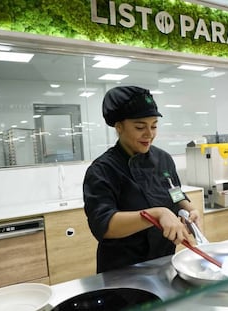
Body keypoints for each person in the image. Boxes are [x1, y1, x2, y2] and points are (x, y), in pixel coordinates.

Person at [83, 86, 201, 273]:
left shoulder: (163, 159)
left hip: (164, 262)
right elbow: (104, 225)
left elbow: (174, 190)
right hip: (123, 270)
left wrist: (189, 207)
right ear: (119, 126)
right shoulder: (103, 170)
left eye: (154, 126)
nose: (149, 134)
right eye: (140, 127)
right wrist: (156, 214)